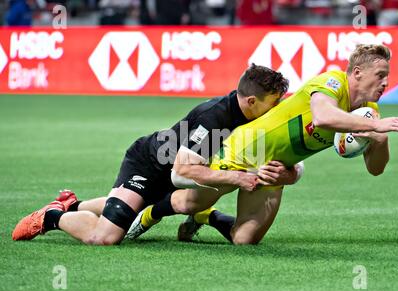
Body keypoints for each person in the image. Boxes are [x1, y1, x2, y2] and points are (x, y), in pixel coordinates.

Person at [129, 44, 398, 245]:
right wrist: (374, 125)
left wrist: (380, 139)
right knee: (184, 202)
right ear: (357, 74)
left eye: (387, 76)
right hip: (245, 149)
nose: (386, 82)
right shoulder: (332, 82)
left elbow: (375, 170)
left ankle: (207, 217)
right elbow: (324, 117)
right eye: (380, 75)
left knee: (245, 239)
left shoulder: (368, 112)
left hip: (275, 167)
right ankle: (151, 213)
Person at [12, 64, 294, 245]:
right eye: (274, 102)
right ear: (252, 101)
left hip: (173, 176)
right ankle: (51, 216)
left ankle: (73, 204)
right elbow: (183, 171)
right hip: (149, 165)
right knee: (105, 237)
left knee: (165, 204)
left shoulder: (254, 116)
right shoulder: (214, 117)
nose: (277, 107)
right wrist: (239, 177)